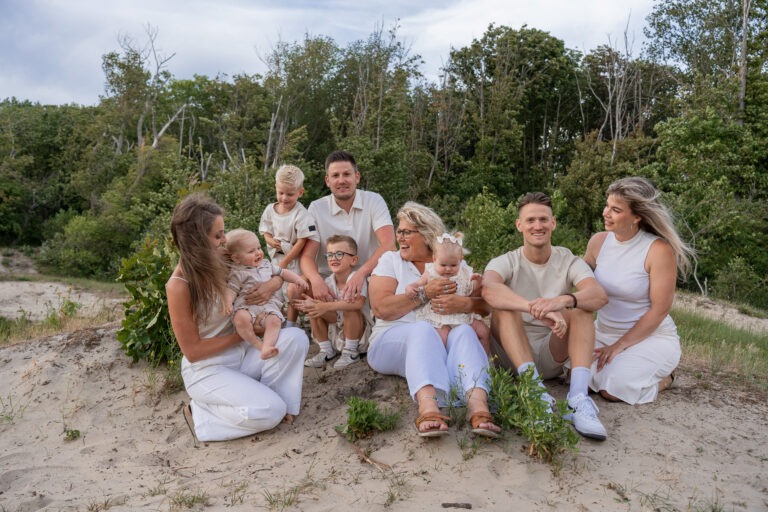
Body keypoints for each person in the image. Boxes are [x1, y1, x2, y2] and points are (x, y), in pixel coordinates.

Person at [166, 193, 309, 442]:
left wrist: (273, 284)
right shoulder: (179, 285)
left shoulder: (225, 259)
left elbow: (266, 270)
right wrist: (247, 334)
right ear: (198, 238)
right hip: (208, 369)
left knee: (296, 338)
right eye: (218, 235)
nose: (224, 240)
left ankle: (276, 401)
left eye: (223, 233)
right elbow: (193, 351)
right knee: (269, 412)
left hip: (244, 354)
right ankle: (202, 415)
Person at [482, 192, 609, 440]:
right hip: (512, 359)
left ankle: (578, 399)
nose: (537, 226)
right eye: (530, 220)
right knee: (503, 306)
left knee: (582, 307)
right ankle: (534, 393)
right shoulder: (506, 261)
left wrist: (562, 301)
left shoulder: (568, 259)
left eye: (543, 219)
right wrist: (535, 307)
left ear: (553, 223)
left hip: (552, 352)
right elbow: (489, 289)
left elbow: (598, 295)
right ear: (519, 225)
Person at [368, 202, 501, 438]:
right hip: (393, 338)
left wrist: (466, 303)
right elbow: (380, 308)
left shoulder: (453, 262)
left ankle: (478, 406)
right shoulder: (391, 261)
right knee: (422, 329)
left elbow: (483, 307)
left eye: (407, 232)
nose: (400, 237)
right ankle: (429, 407)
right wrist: (425, 293)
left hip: (445, 337)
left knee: (465, 332)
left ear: (427, 234)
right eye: (399, 231)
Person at [584, 177, 694, 404]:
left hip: (649, 337)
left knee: (612, 390)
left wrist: (619, 346)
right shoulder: (598, 242)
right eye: (607, 206)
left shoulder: (658, 250)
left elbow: (660, 310)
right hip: (603, 332)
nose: (606, 212)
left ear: (637, 216)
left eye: (615, 210)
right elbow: (579, 278)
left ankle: (667, 378)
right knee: (576, 377)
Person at [289, 150, 395, 311]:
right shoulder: (316, 208)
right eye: (335, 176)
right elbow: (307, 256)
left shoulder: (374, 200)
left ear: (357, 177)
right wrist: (316, 280)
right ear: (327, 180)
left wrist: (360, 274)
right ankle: (295, 330)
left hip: (368, 274)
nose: (341, 180)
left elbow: (389, 244)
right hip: (329, 277)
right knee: (295, 288)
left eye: (347, 174)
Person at [225, 228, 309, 360]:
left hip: (268, 305)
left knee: (274, 321)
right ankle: (257, 344)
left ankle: (268, 346)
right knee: (240, 318)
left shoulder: (266, 264)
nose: (258, 253)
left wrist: (297, 279)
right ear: (236, 258)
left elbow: (283, 272)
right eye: (251, 251)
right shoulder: (238, 273)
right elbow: (231, 289)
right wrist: (228, 302)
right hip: (247, 306)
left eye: (258, 248)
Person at [294, 235, 373, 369]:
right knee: (314, 308)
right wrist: (315, 306)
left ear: (353, 260)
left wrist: (324, 306)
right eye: (329, 255)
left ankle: (351, 352)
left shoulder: (356, 279)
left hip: (359, 333)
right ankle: (326, 350)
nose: (333, 258)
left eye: (339, 254)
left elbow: (357, 304)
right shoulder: (328, 282)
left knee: (349, 308)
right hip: (337, 330)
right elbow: (333, 316)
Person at [404, 232, 490, 352]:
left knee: (484, 332)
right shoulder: (431, 272)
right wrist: (410, 287)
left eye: (453, 265)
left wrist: (478, 282)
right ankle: (444, 362)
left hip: (461, 315)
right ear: (434, 259)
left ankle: (485, 360)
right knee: (441, 340)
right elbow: (418, 283)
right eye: (443, 265)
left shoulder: (464, 272)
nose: (448, 269)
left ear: (460, 260)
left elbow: (472, 289)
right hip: (440, 317)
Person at [259, 164, 314, 327]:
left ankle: (292, 323)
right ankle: (276, 322)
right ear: (276, 188)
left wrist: (285, 262)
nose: (284, 198)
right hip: (276, 258)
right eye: (280, 193)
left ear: (300, 192)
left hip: (293, 261)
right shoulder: (270, 209)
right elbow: (265, 230)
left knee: (291, 291)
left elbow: (302, 241)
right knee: (275, 292)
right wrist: (269, 240)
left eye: (290, 194)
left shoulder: (301, 213)